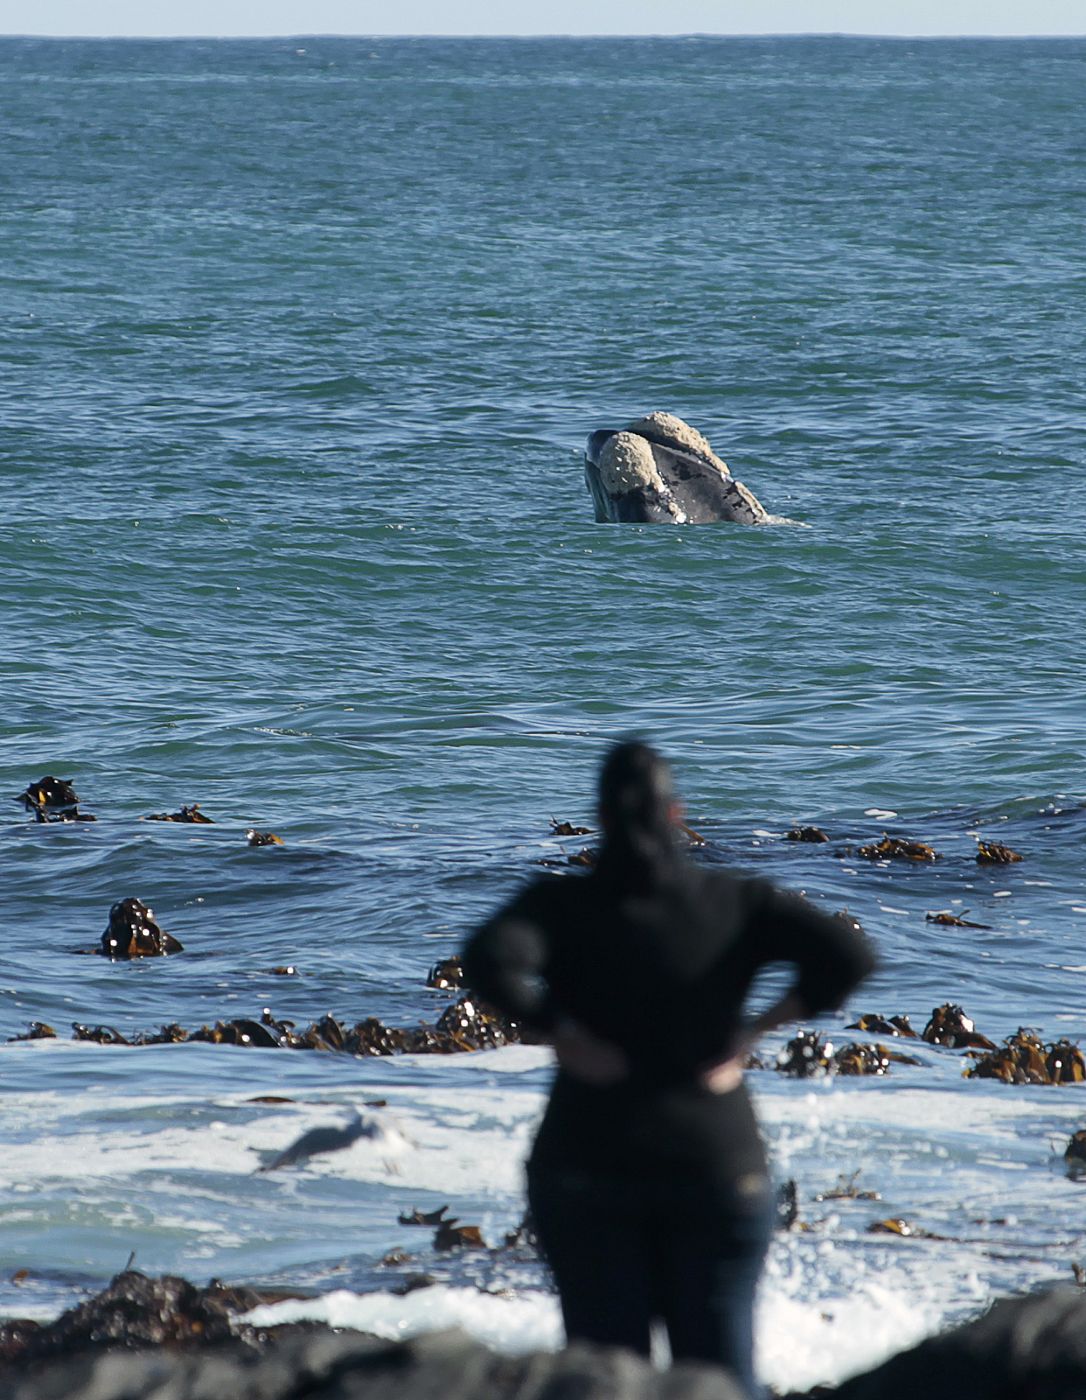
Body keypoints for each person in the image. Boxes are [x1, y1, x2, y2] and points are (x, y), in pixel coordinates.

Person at [462, 741, 874, 1398]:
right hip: (715, 1165)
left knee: (605, 1379)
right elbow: (849, 954)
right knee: (721, 1377)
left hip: (589, 1164)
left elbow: (487, 960)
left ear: (599, 818)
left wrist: (563, 1034)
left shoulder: (559, 908)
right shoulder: (735, 903)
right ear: (678, 816)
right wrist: (752, 1033)